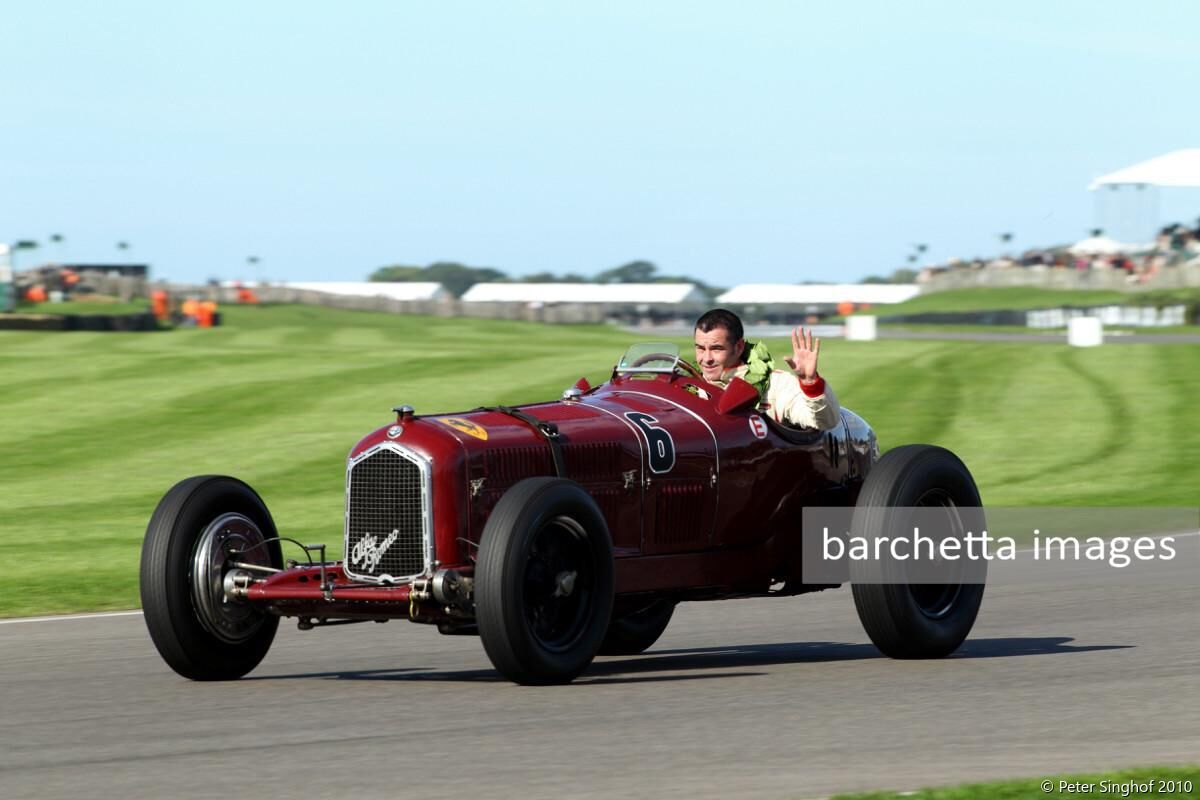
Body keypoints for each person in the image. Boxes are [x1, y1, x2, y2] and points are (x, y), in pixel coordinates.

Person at [693, 308, 841, 431]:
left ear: (738, 347)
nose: (706, 359)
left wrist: (811, 383)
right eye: (700, 348)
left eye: (716, 349)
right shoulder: (686, 384)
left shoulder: (778, 384)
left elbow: (824, 423)